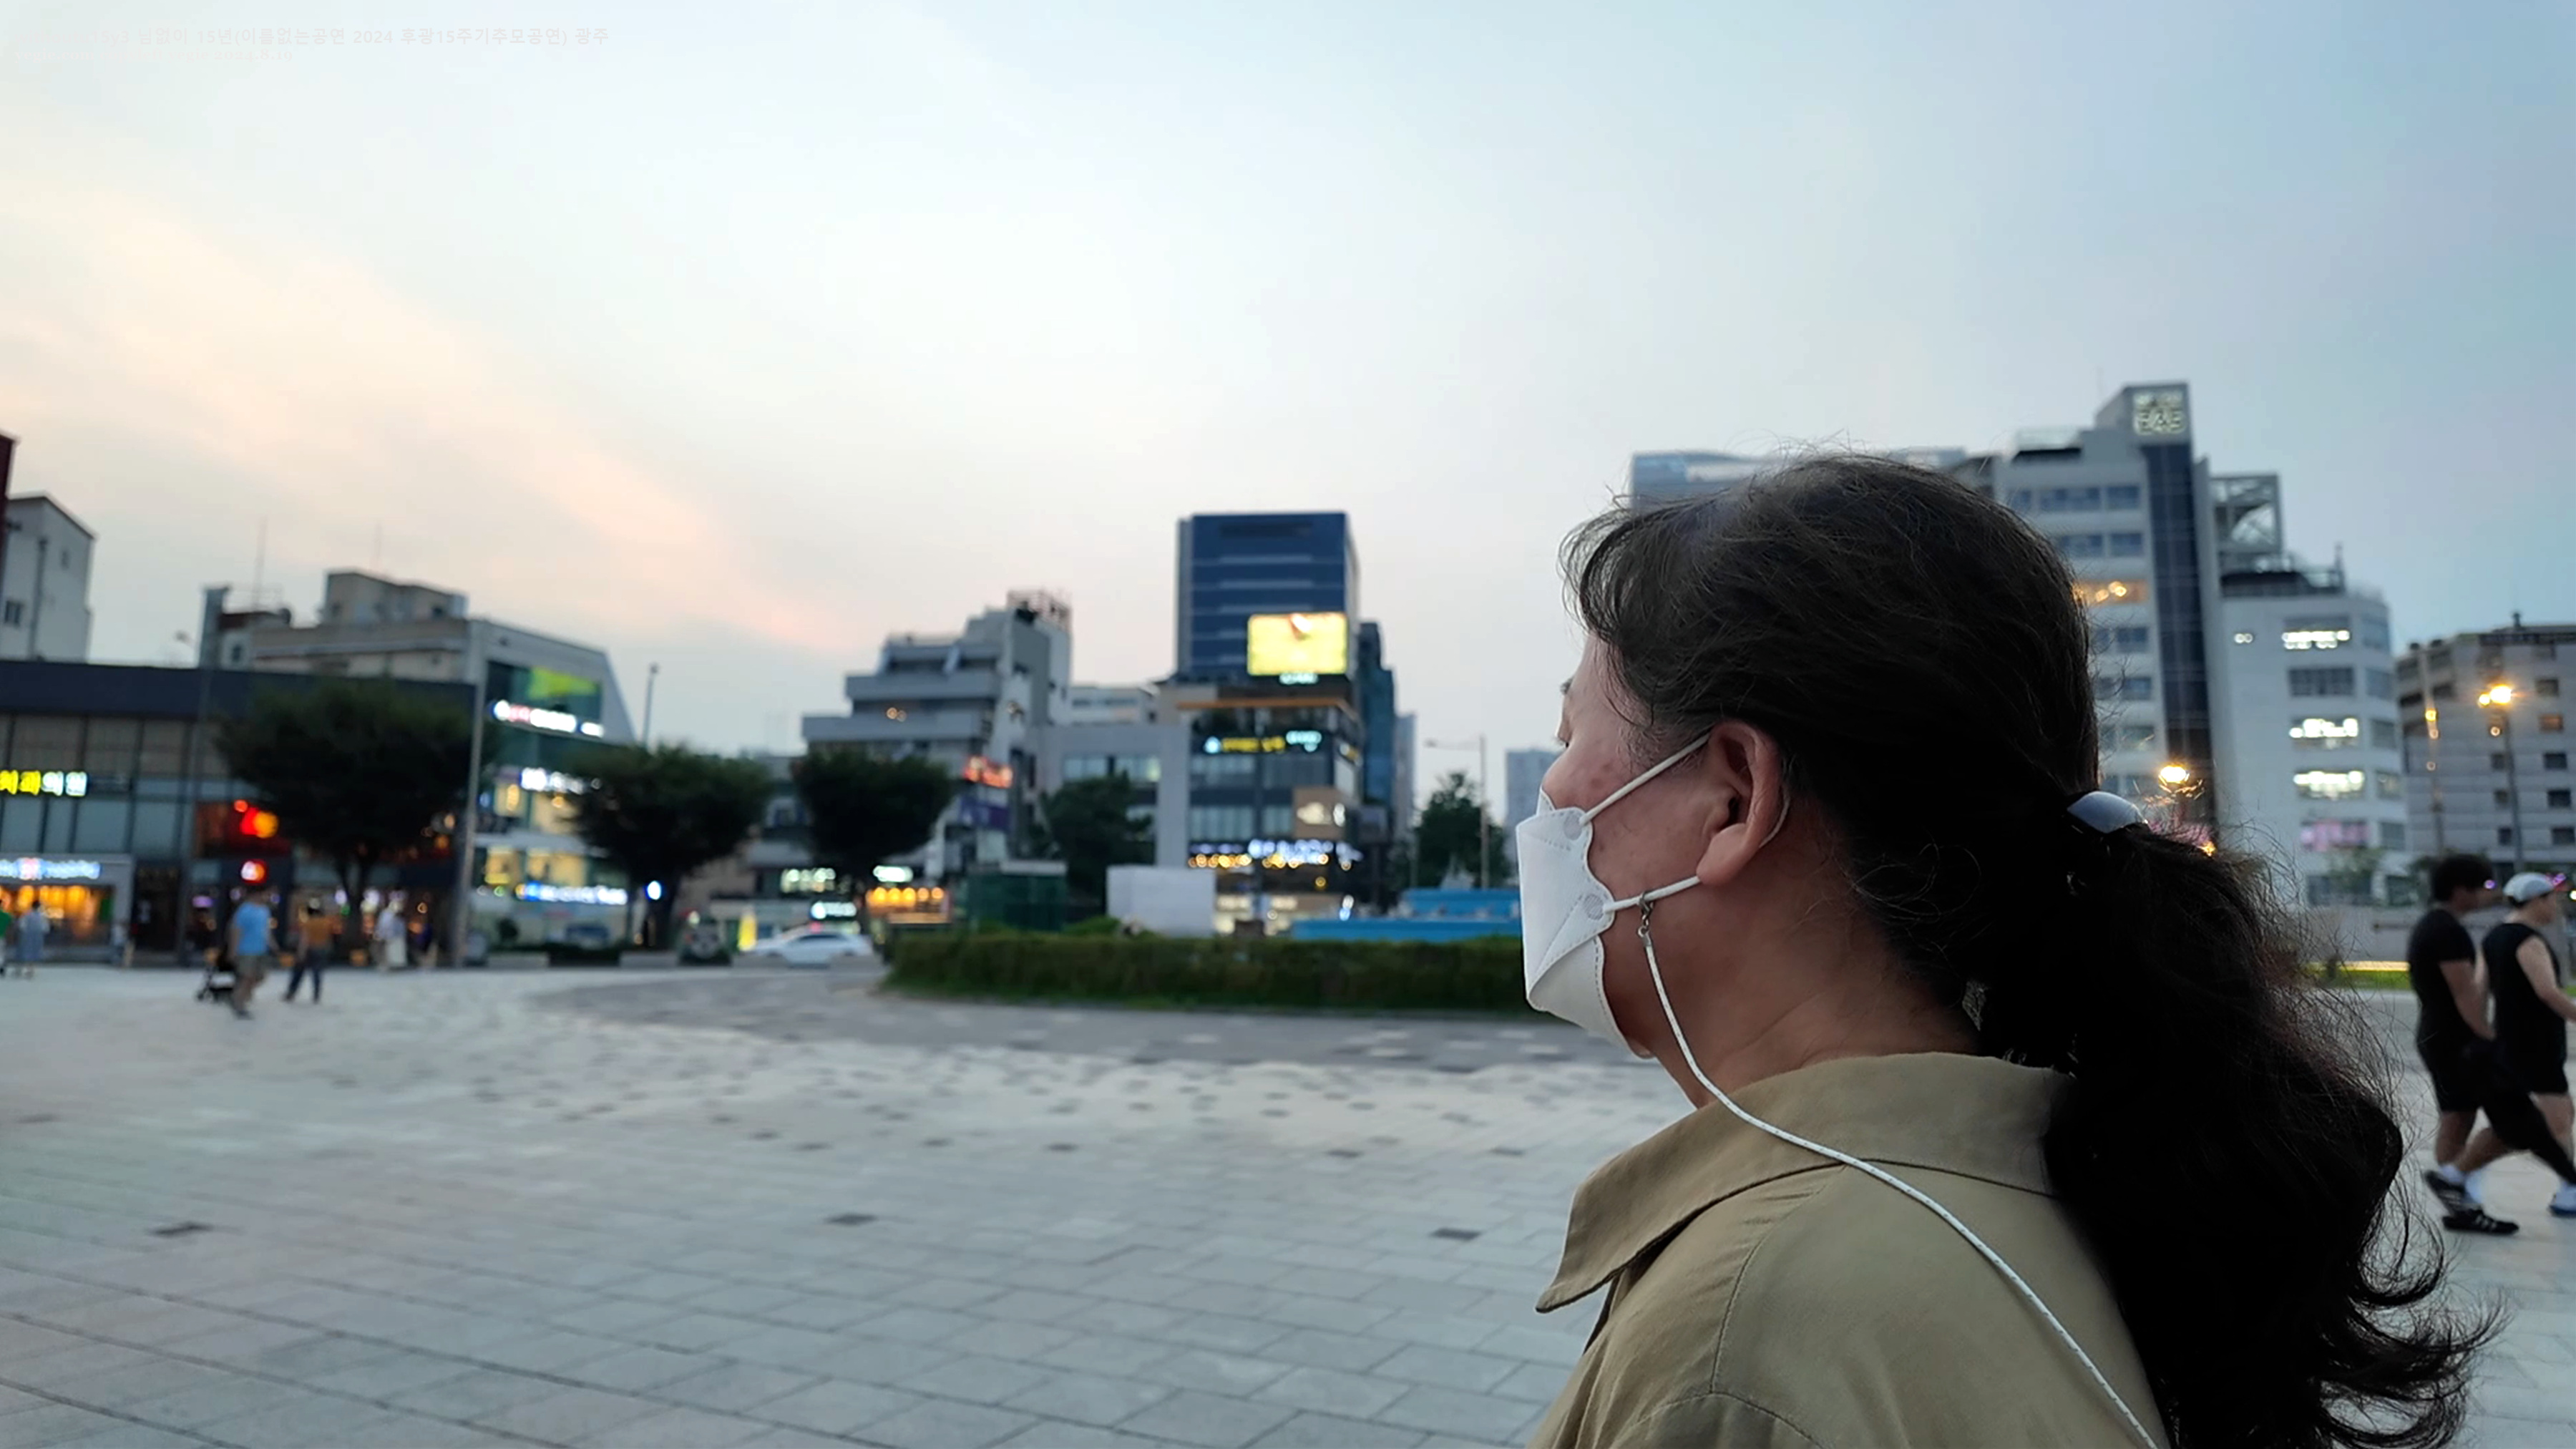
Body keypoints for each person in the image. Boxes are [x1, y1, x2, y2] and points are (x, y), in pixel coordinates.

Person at [1523, 459, 2479, 1449]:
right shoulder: (2078, 1183)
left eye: (1569, 734)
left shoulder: (1741, 1346)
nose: (1547, 799)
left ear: (1733, 796)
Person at [2409, 854, 2520, 1231]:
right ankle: (2453, 1183)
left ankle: (2461, 1205)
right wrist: (2490, 1039)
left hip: (2438, 1036)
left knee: (2457, 1118)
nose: (2489, 894)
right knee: (2514, 1122)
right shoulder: (2446, 932)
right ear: (2461, 890)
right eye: (2484, 887)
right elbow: (2466, 995)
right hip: (2455, 1040)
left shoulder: (2434, 926)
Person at [2484, 872, 2576, 1219]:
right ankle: (2570, 1190)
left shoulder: (2494, 937)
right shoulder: (2527, 940)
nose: (2556, 907)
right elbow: (2548, 992)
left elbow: (2479, 989)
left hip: (2512, 1041)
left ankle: (2458, 1174)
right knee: (2557, 1119)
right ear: (2538, 900)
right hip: (2536, 1044)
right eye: (2553, 899)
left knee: (2554, 1115)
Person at [228, 892, 274, 1018]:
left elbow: (266, 930)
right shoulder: (244, 910)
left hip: (261, 949)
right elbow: (236, 930)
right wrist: (233, 950)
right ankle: (239, 1003)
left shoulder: (265, 911)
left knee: (260, 976)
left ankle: (241, 995)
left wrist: (272, 944)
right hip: (246, 950)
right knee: (247, 977)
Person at [284, 900, 336, 1004]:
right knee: (317, 972)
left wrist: (301, 952)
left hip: (309, 949)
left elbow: (305, 939)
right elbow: (329, 938)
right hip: (321, 949)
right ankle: (316, 994)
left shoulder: (308, 924)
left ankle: (292, 992)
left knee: (299, 972)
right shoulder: (326, 923)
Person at [373, 900, 409, 970]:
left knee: (393, 951)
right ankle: (385, 964)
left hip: (395, 937)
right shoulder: (387, 915)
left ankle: (393, 964)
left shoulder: (397, 917)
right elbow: (384, 925)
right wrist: (381, 935)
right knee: (386, 951)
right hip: (390, 937)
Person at [15, 902, 46, 977]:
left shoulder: (27, 915)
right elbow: (45, 928)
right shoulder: (41, 916)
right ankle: (31, 970)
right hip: (37, 937)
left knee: (23, 952)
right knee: (34, 953)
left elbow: (21, 925)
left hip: (26, 936)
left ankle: (19, 969)